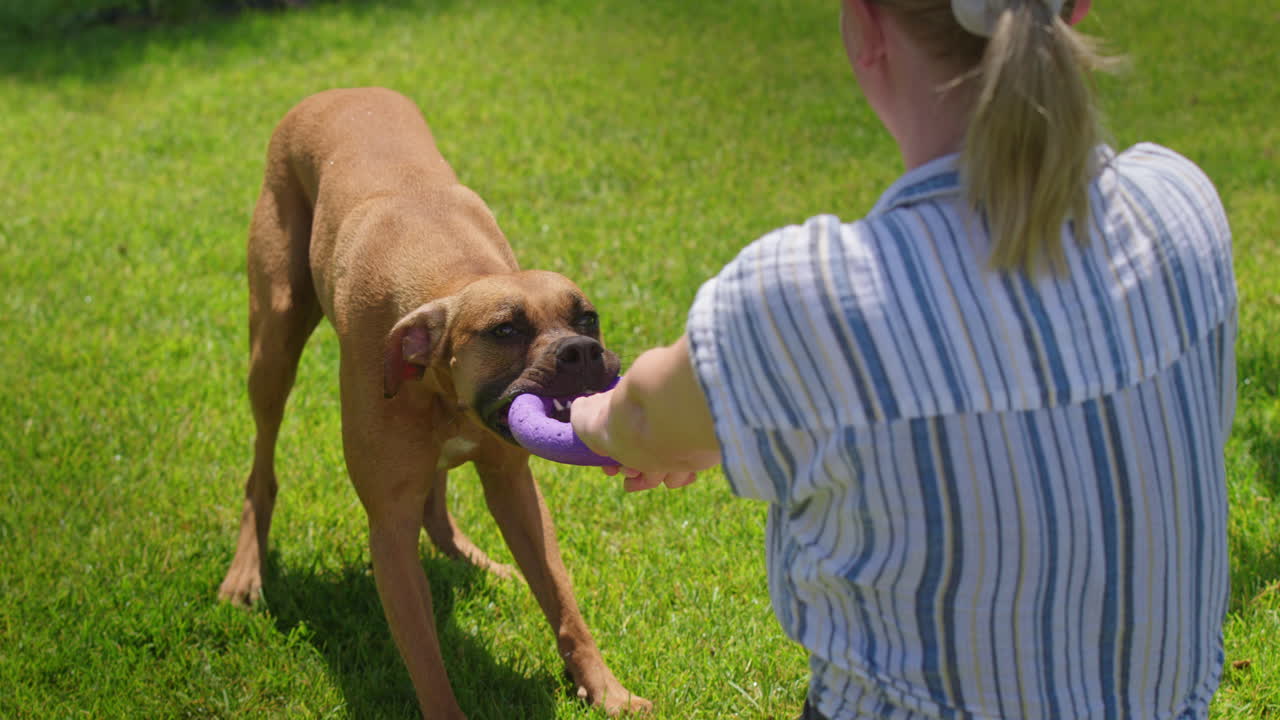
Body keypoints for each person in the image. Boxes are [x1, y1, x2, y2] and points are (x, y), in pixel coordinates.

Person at [570, 0, 1238, 717]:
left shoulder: (813, 298)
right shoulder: (1181, 206)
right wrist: (742, 419)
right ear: (1071, 13)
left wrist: (588, 414)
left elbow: (641, 418)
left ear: (866, 27)